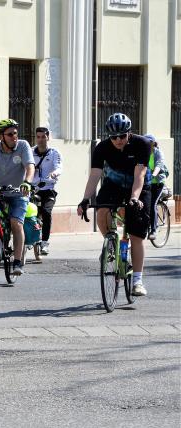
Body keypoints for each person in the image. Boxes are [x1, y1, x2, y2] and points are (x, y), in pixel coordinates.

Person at [78, 113, 151, 296]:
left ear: (129, 133)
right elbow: (95, 175)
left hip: (139, 187)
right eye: (113, 137)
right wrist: (85, 199)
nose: (118, 140)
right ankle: (110, 245)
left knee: (136, 234)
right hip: (114, 185)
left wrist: (134, 198)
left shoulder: (142, 144)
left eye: (122, 136)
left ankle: (137, 281)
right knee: (102, 210)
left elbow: (140, 175)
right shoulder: (102, 147)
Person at [0, 118, 35, 276]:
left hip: (18, 192)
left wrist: (27, 182)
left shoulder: (23, 145)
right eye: (10, 134)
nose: (14, 137)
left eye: (15, 133)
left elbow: (30, 167)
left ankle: (17, 262)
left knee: (16, 223)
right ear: (1, 137)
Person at [31, 126, 62, 255]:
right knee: (28, 213)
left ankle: (44, 243)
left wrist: (54, 174)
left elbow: (58, 167)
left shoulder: (54, 153)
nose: (40, 139)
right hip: (33, 189)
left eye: (43, 137)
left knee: (46, 212)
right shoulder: (30, 152)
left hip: (48, 188)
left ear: (48, 137)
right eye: (38, 137)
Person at [143, 134, 170, 241]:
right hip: (146, 182)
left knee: (152, 203)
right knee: (143, 203)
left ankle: (154, 229)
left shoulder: (158, 153)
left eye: (149, 143)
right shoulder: (142, 153)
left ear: (153, 143)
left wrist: (153, 174)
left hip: (157, 182)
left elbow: (159, 165)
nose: (147, 144)